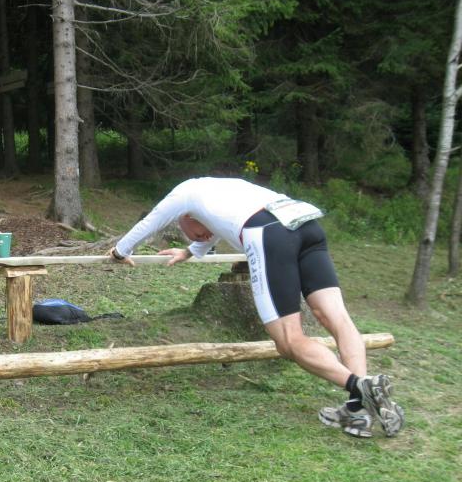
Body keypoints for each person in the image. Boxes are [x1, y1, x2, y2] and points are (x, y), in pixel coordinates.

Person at [108, 177, 405, 439]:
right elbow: (218, 225)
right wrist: (190, 250)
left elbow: (151, 222)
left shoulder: (184, 193)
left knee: (288, 341)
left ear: (184, 216)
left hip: (269, 233)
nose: (202, 237)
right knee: (336, 318)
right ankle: (357, 410)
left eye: (195, 234)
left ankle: (360, 386)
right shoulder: (223, 189)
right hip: (306, 223)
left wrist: (120, 251)